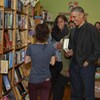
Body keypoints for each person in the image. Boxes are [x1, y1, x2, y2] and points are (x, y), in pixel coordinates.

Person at [65, 6, 100, 100]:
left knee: (88, 96)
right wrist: (68, 53)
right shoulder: (73, 31)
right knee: (75, 95)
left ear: (82, 15)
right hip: (74, 68)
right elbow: (71, 47)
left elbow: (98, 49)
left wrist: (88, 61)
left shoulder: (92, 29)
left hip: (87, 68)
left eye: (74, 17)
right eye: (71, 17)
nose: (72, 19)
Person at [24, 23, 56, 100]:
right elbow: (53, 63)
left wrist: (34, 57)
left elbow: (26, 61)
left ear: (36, 34)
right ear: (47, 34)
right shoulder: (51, 48)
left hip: (34, 80)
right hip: (46, 80)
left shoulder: (31, 47)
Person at [48, 15, 70, 100]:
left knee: (60, 87)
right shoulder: (52, 33)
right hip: (54, 62)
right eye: (57, 22)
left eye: (61, 21)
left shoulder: (69, 33)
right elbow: (48, 46)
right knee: (52, 84)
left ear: (65, 22)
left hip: (64, 63)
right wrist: (55, 46)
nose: (59, 24)